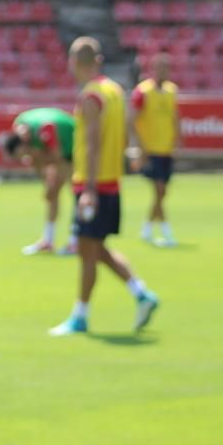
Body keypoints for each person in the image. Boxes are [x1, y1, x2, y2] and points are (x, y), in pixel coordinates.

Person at [49, 37, 159, 336]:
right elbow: (121, 134)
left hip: (92, 185)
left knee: (87, 252)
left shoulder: (91, 96)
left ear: (74, 62)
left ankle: (80, 316)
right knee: (96, 248)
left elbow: (94, 144)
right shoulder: (113, 90)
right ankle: (141, 293)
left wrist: (90, 191)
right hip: (111, 181)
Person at [0, 107, 78, 255]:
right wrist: (47, 184)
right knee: (52, 195)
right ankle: (48, 240)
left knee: (76, 193)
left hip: (74, 147)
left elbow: (58, 157)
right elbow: (37, 160)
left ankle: (76, 242)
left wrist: (51, 186)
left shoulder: (45, 129)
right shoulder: (21, 126)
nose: (24, 158)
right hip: (61, 152)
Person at [128, 52, 180, 247]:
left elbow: (174, 116)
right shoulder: (142, 92)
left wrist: (177, 138)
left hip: (166, 149)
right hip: (151, 150)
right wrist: (140, 147)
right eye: (161, 67)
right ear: (154, 69)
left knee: (162, 192)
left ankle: (147, 228)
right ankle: (166, 231)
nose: (164, 71)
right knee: (159, 190)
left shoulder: (171, 91)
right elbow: (131, 120)